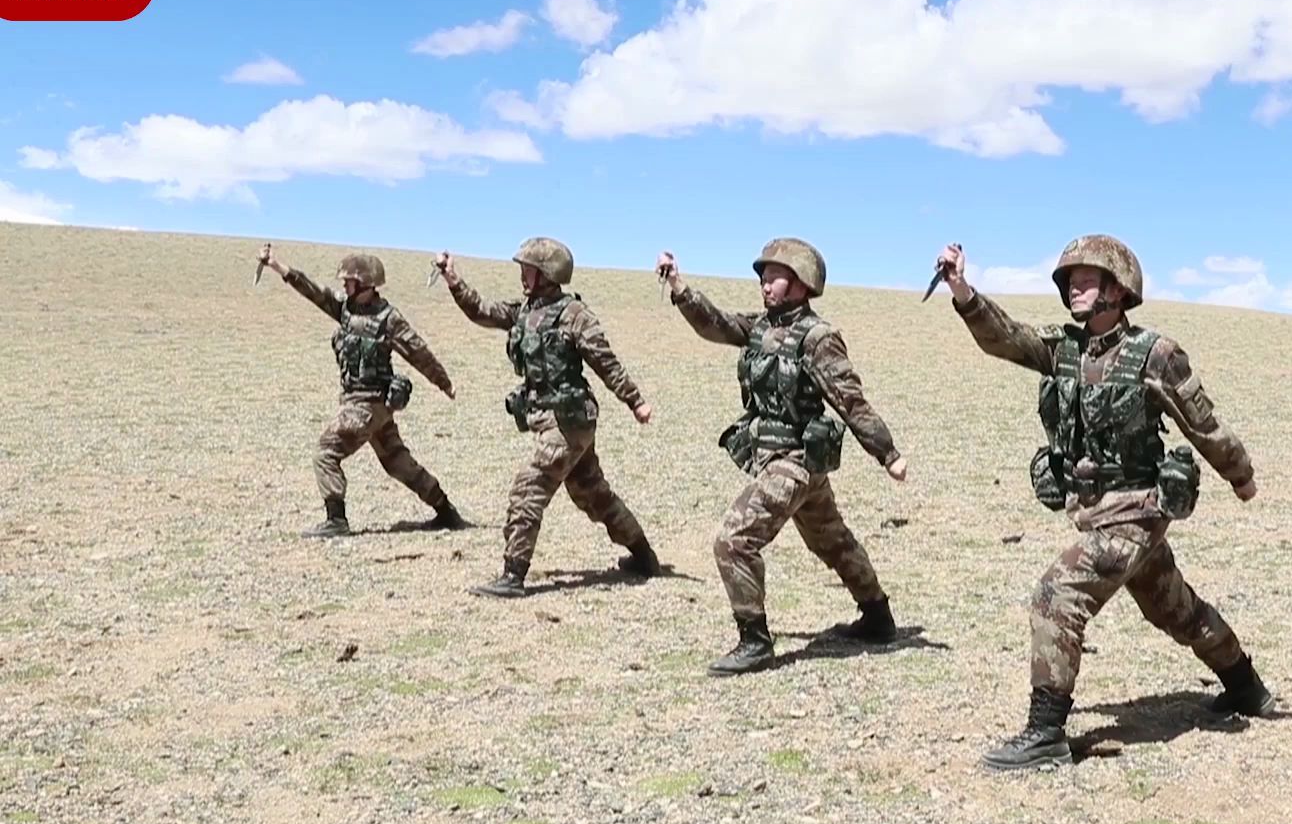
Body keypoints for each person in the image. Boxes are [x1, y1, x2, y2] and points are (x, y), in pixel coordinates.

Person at [935, 235, 1274, 772]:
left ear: (1118, 290)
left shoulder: (1154, 354)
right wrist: (961, 289)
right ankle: (1247, 688)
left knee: (1056, 596)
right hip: (1094, 513)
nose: (1074, 286)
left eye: (1087, 278)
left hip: (1137, 511)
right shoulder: (1063, 350)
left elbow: (1203, 425)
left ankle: (1045, 733)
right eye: (1069, 279)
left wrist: (1241, 477)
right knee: (1176, 610)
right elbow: (1005, 338)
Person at [656, 239, 910, 676]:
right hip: (781, 460)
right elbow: (715, 323)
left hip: (794, 462)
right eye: (762, 275)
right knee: (832, 540)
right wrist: (680, 287)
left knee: (734, 540)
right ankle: (878, 618)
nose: (764, 284)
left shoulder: (818, 338)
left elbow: (850, 401)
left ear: (801, 283)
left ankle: (754, 641)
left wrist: (887, 453)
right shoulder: (760, 328)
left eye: (773, 276)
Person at [437, 238, 661, 597]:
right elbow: (482, 311)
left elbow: (606, 362)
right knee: (592, 494)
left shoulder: (574, 315)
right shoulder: (525, 311)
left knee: (529, 488)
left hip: (568, 422)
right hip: (552, 421)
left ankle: (513, 575)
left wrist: (635, 401)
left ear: (546, 274)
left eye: (528, 269)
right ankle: (644, 556)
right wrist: (453, 279)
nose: (522, 275)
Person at [257, 244, 469, 538]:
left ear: (366, 283)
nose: (344, 284)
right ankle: (446, 512)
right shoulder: (345, 309)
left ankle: (336, 520)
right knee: (398, 463)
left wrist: (443, 382)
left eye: (349, 280)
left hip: (368, 405)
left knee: (326, 452)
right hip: (370, 408)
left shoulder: (387, 318)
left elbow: (417, 350)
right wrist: (277, 265)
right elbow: (313, 291)